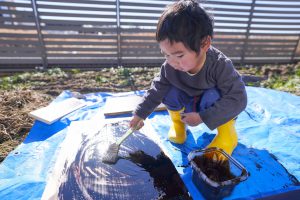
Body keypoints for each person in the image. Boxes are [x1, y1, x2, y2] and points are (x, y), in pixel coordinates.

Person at [129, 0, 247, 157]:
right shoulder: (170, 67)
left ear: (204, 44)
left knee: (213, 94)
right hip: (189, 105)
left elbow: (238, 98)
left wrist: (202, 117)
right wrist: (140, 113)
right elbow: (156, 90)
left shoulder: (219, 65)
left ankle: (227, 136)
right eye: (166, 54)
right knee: (167, 90)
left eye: (179, 55)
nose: (171, 62)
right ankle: (178, 125)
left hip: (212, 107)